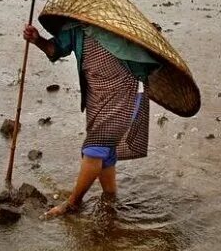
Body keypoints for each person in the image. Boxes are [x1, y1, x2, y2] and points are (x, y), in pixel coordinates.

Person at [23, 20, 161, 218]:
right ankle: (110, 202)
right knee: (104, 154)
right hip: (97, 97)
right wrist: (37, 40)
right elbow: (55, 49)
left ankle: (72, 204)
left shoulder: (119, 24)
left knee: (94, 149)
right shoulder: (75, 27)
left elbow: (148, 54)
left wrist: (148, 35)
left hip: (125, 93)